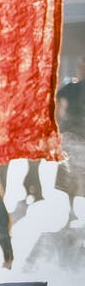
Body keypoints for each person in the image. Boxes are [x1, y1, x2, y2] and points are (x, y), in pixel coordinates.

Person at [54, 57, 85, 225]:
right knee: (71, 177)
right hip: (72, 139)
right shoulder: (71, 88)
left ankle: (73, 209)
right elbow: (59, 103)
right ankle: (71, 209)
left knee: (76, 176)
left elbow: (59, 105)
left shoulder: (71, 88)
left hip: (77, 138)